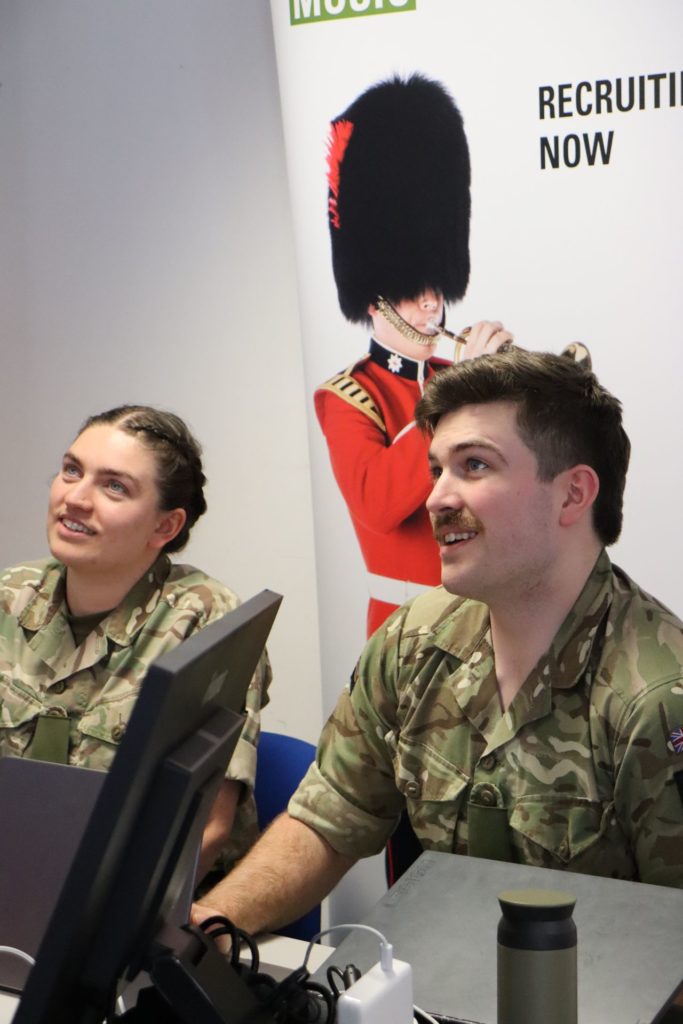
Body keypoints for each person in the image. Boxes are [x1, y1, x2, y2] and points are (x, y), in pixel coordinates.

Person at [194, 348, 683, 934]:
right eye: (437, 470)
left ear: (574, 495)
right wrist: (209, 927)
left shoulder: (657, 695)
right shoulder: (413, 640)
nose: (436, 499)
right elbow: (328, 820)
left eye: (475, 466)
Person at [0, 404, 271, 882]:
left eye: (114, 487)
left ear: (165, 527)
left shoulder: (206, 620)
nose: (76, 498)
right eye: (71, 471)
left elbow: (206, 832)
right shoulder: (9, 596)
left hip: (135, 905)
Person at [318, 73, 513, 639]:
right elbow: (380, 503)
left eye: (436, 282)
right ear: (375, 296)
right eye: (412, 286)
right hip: (407, 632)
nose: (432, 300)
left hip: (485, 621)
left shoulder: (458, 378)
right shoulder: (346, 398)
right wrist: (461, 394)